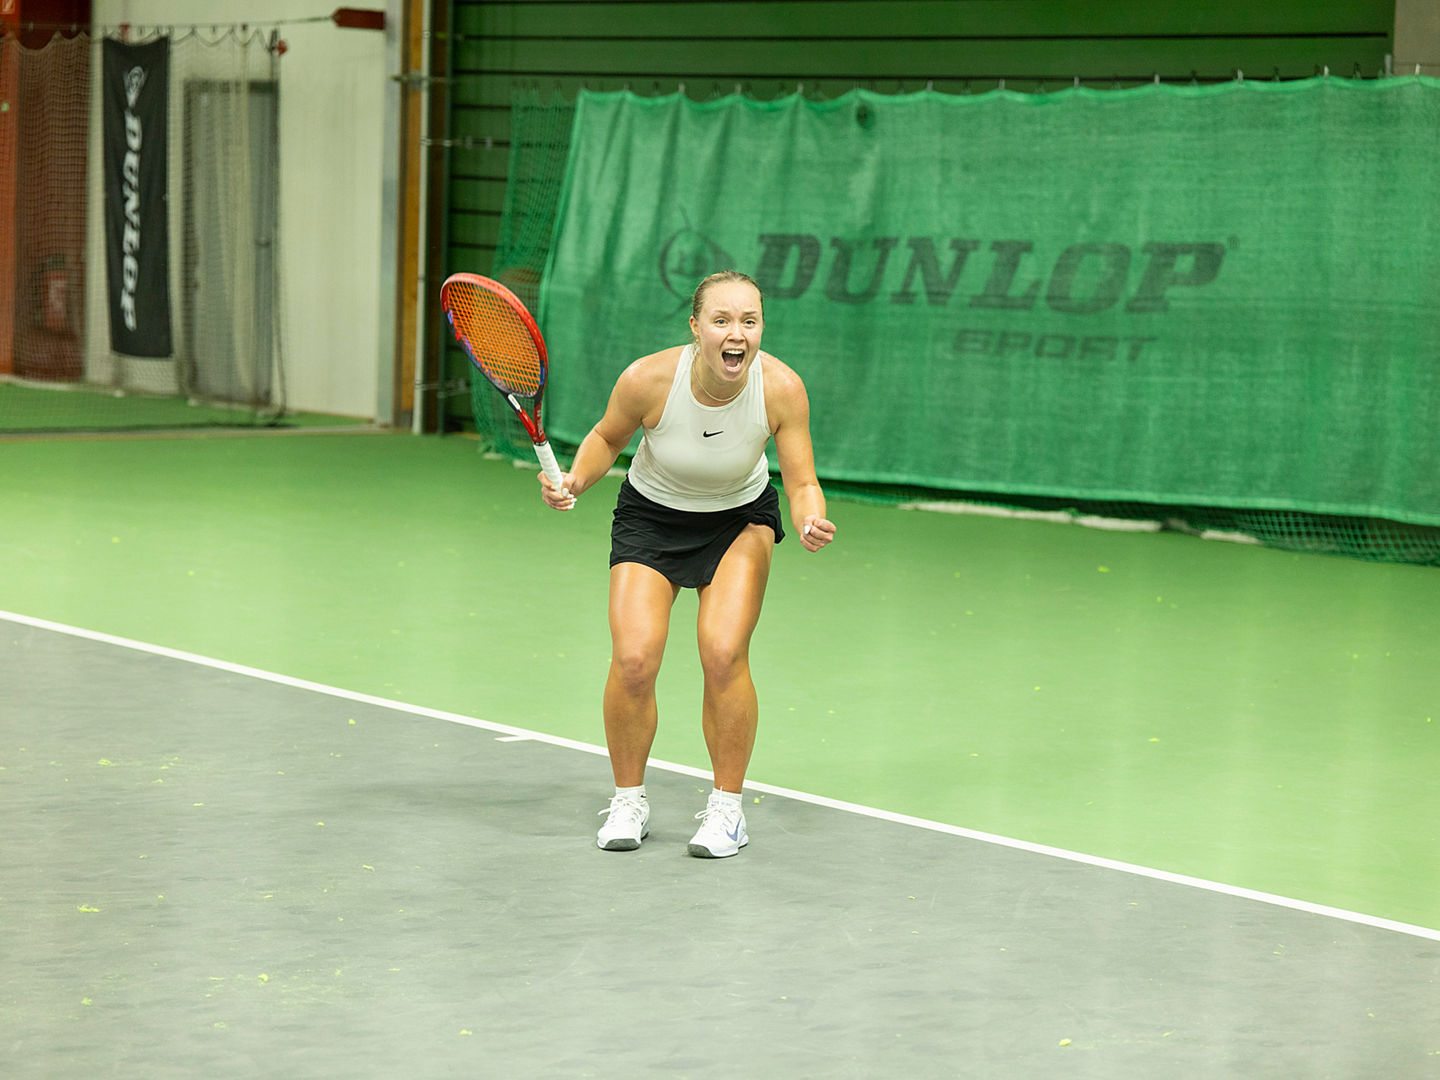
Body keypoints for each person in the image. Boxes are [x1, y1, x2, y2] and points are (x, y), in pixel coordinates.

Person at [539, 270, 835, 858]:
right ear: (696, 327)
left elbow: (802, 481)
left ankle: (728, 810)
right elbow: (606, 438)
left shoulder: (781, 388)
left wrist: (809, 519)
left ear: (761, 328)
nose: (736, 333)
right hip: (651, 517)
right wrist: (575, 480)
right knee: (633, 659)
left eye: (749, 321)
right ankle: (629, 801)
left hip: (738, 521)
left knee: (723, 653)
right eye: (722, 320)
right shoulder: (647, 379)